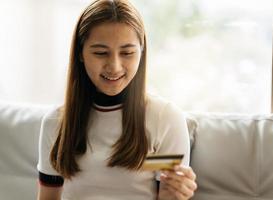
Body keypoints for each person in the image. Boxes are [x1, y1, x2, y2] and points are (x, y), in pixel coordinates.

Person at [37, 0, 197, 199]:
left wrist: (176, 191)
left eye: (127, 53)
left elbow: (167, 192)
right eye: (100, 53)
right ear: (80, 53)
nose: (114, 66)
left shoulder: (164, 119)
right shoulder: (56, 123)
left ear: (142, 51)